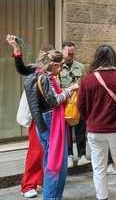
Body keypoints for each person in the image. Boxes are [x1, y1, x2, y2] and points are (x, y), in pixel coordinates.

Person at [78, 45, 116, 200]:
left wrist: (90, 120)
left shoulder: (87, 80)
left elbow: (80, 107)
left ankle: (102, 197)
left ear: (96, 58)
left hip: (95, 130)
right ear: (114, 58)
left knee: (98, 167)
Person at [24, 49, 78, 200]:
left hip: (45, 120)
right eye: (59, 66)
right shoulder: (45, 79)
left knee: (54, 161)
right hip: (50, 121)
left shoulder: (38, 75)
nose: (60, 69)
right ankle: (51, 197)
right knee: (55, 163)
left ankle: (53, 196)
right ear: (53, 65)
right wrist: (69, 90)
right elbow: (54, 101)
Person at [6, 34, 44, 198]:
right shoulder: (36, 70)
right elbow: (21, 68)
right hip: (38, 119)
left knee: (47, 152)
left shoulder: (58, 70)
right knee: (36, 152)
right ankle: (28, 185)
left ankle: (41, 180)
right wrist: (16, 48)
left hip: (53, 118)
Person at [60, 41, 88, 168]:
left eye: (72, 53)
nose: (71, 55)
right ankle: (69, 155)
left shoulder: (80, 67)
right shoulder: (58, 67)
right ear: (62, 51)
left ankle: (82, 155)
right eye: (68, 53)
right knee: (67, 131)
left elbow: (85, 83)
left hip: (79, 103)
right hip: (65, 104)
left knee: (81, 129)